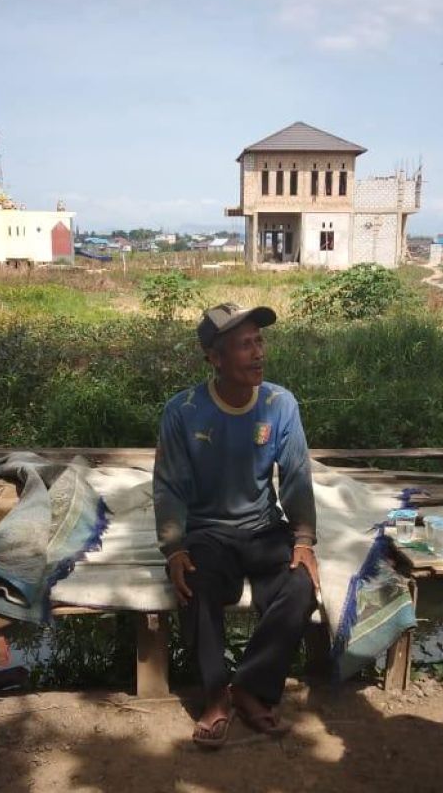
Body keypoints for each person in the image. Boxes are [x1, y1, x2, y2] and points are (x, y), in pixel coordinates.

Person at [153, 302, 318, 748]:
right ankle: (215, 698)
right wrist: (173, 548)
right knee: (194, 585)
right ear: (215, 357)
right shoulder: (183, 411)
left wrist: (303, 540)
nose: (258, 353)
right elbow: (168, 487)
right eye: (244, 345)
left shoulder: (280, 404)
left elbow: (298, 474)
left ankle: (250, 687)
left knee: (301, 586)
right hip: (208, 532)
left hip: (264, 528)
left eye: (259, 341)